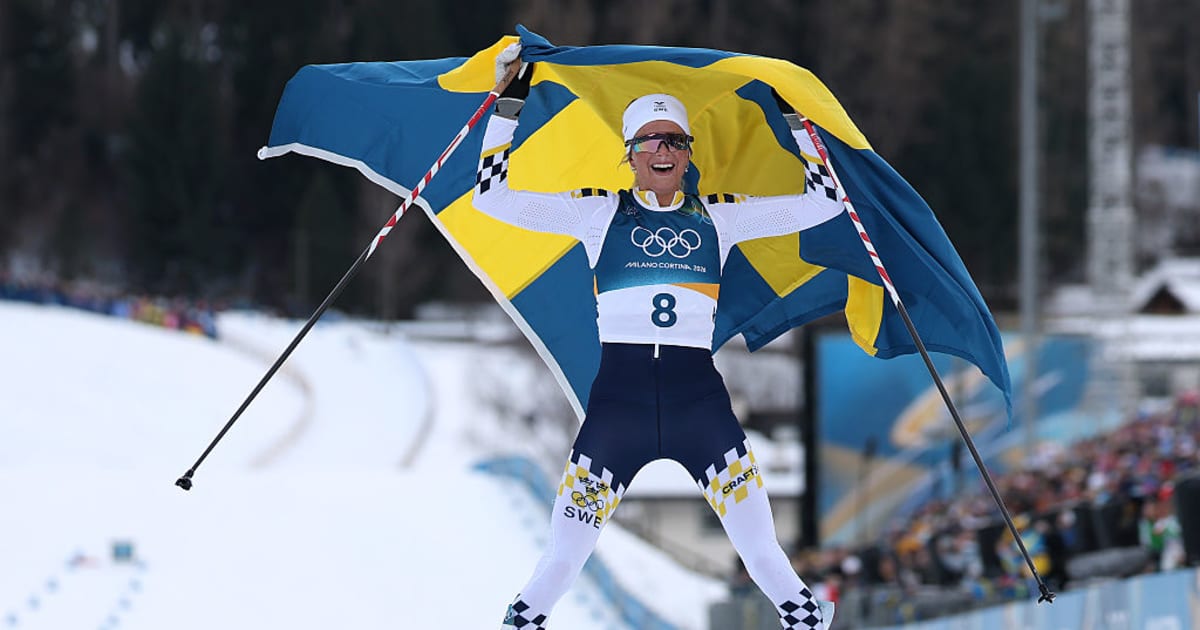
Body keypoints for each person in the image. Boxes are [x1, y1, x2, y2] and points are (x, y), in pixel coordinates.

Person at [477, 42, 843, 630]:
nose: (664, 152)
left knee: (763, 555)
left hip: (697, 405)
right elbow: (491, 196)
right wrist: (508, 100)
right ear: (630, 154)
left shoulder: (719, 214)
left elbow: (825, 203)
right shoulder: (598, 213)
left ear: (688, 154)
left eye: (676, 140)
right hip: (617, 411)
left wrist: (798, 122)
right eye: (651, 141)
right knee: (564, 560)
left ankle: (808, 621)